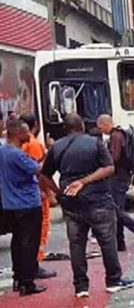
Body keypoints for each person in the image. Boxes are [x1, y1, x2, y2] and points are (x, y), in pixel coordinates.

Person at [40, 113, 134, 298]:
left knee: (76, 244)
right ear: (82, 125)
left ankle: (81, 286)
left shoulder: (56, 147)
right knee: (107, 241)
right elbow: (109, 167)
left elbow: (44, 175)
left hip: (71, 203)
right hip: (98, 199)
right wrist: (84, 181)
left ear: (66, 128)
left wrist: (59, 192)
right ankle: (113, 280)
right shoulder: (95, 143)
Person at [0, 120, 59, 296]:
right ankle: (28, 281)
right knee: (29, 243)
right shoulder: (17, 155)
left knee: (17, 241)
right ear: (18, 134)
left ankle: (18, 278)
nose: (30, 136)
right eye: (26, 132)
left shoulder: (3, 151)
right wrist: (50, 151)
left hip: (10, 203)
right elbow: (40, 169)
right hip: (27, 203)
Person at [96, 114, 134, 251]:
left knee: (116, 211)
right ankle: (120, 243)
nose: (100, 131)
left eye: (100, 127)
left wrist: (102, 158)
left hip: (118, 178)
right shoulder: (120, 134)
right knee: (117, 210)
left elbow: (114, 157)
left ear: (105, 124)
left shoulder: (115, 136)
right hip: (123, 176)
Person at [19, 114, 57, 280]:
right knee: (39, 229)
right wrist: (49, 193)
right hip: (35, 193)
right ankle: (35, 264)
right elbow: (40, 172)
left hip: (22, 195)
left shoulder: (16, 145)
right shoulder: (34, 144)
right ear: (35, 126)